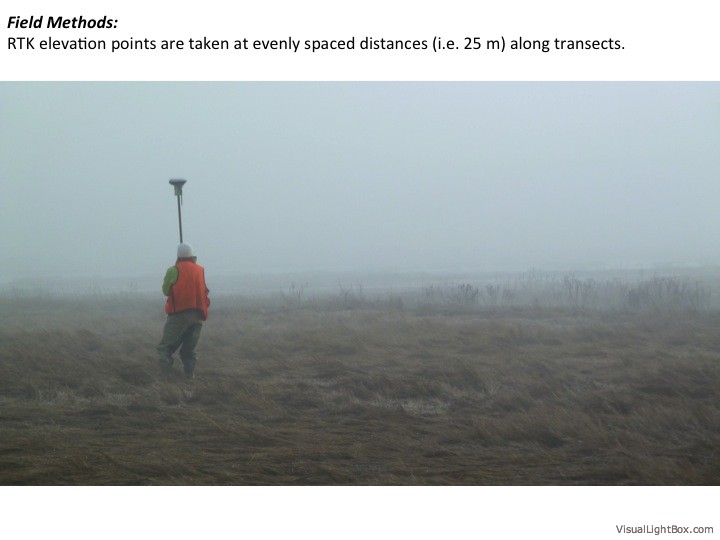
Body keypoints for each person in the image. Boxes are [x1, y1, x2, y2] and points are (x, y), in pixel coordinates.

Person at [156, 242, 210, 378]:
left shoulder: (173, 270)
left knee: (164, 348)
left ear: (178, 255)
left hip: (179, 315)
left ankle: (166, 378)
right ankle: (189, 378)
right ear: (192, 255)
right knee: (189, 350)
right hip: (197, 316)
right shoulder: (200, 270)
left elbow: (166, 291)